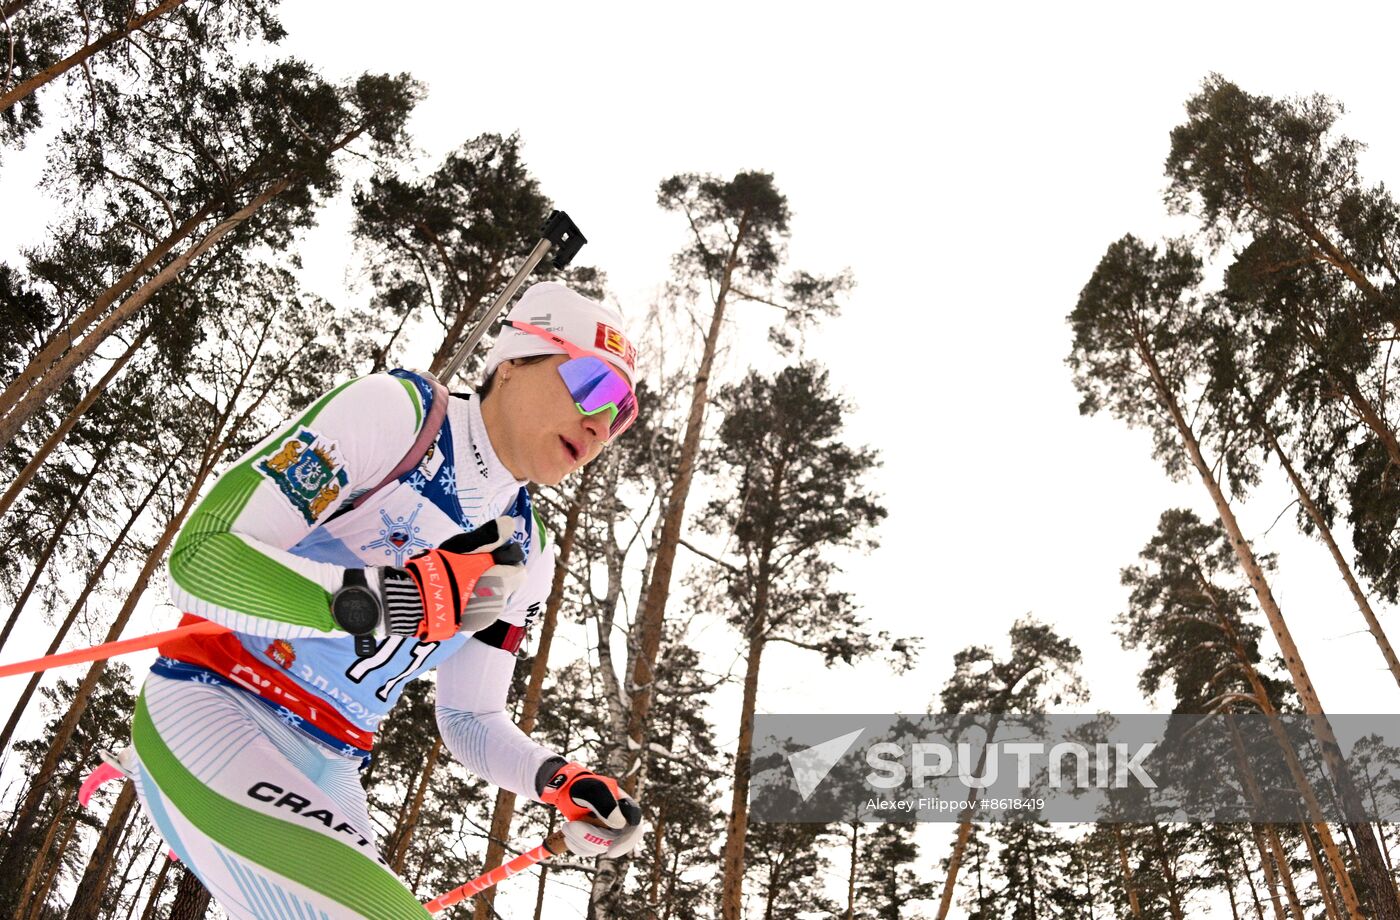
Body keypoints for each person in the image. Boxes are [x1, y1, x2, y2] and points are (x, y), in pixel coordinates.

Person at [124, 281, 644, 919]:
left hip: (335, 765)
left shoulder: (525, 554)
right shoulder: (398, 417)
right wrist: (384, 599)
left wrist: (556, 778)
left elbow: (470, 720)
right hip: (216, 705)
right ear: (514, 359)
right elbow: (204, 556)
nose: (600, 423)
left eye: (621, 415)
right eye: (594, 386)